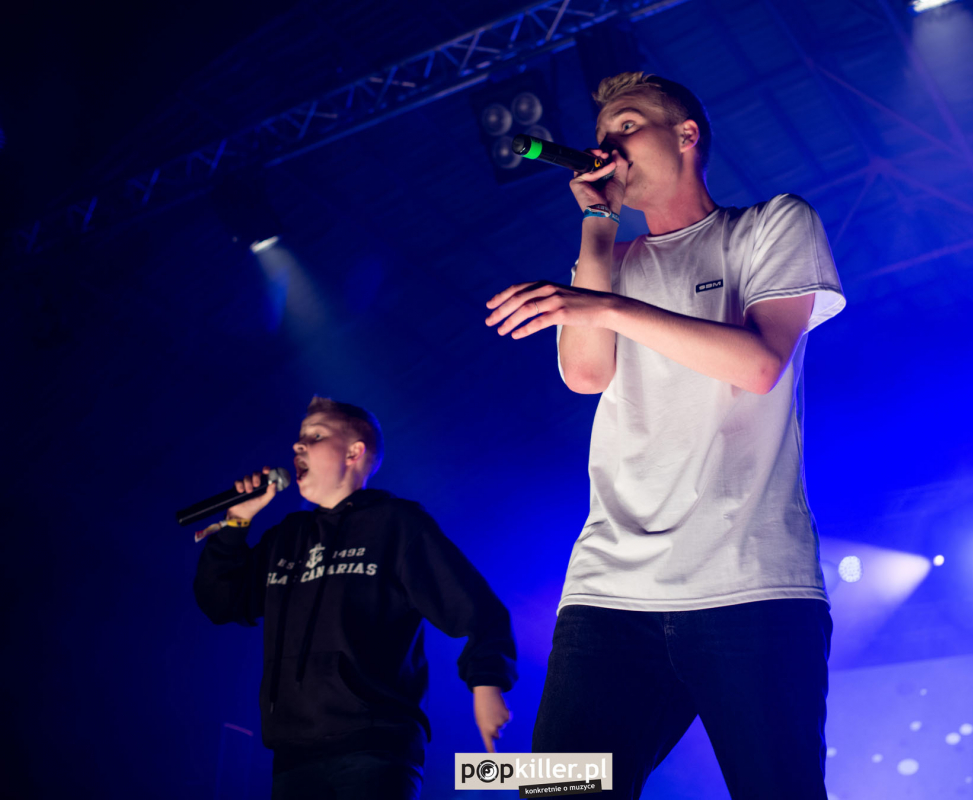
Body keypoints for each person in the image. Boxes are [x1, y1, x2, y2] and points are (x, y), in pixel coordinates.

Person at [485, 72, 845, 798]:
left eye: (625, 125)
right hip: (609, 589)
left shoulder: (770, 224)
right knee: (553, 791)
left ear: (686, 135)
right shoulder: (608, 266)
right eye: (601, 134)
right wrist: (597, 222)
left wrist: (604, 307)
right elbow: (585, 373)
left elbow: (760, 365)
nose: (606, 144)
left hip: (749, 581)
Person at [193, 396, 517, 799]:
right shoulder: (286, 538)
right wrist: (237, 522)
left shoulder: (396, 524)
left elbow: (477, 608)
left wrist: (487, 684)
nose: (298, 445)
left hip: (374, 747)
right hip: (291, 754)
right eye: (299, 437)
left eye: (315, 435)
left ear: (354, 452)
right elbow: (221, 602)